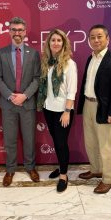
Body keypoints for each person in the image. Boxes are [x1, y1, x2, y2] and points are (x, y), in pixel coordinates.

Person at [77, 24, 111, 194]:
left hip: (104, 108)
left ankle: (108, 179)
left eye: (99, 36)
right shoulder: (91, 58)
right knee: (90, 141)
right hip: (88, 104)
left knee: (105, 144)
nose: (95, 40)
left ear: (107, 39)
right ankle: (96, 169)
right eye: (92, 37)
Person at [0, 16, 41, 187]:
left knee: (29, 138)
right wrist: (11, 96)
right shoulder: (0, 53)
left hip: (27, 104)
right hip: (8, 105)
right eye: (14, 29)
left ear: (25, 32)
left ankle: (30, 167)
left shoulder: (34, 53)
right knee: (10, 139)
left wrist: (24, 95)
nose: (17, 33)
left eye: (20, 30)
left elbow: (37, 79)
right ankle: (10, 169)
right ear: (9, 32)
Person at [37, 29, 77, 193]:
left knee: (61, 143)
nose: (55, 43)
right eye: (53, 40)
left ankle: (63, 175)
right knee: (56, 141)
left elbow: (72, 90)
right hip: (48, 109)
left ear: (63, 43)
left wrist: (67, 111)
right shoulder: (46, 61)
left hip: (63, 110)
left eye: (59, 40)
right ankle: (61, 167)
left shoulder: (69, 64)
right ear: (49, 43)